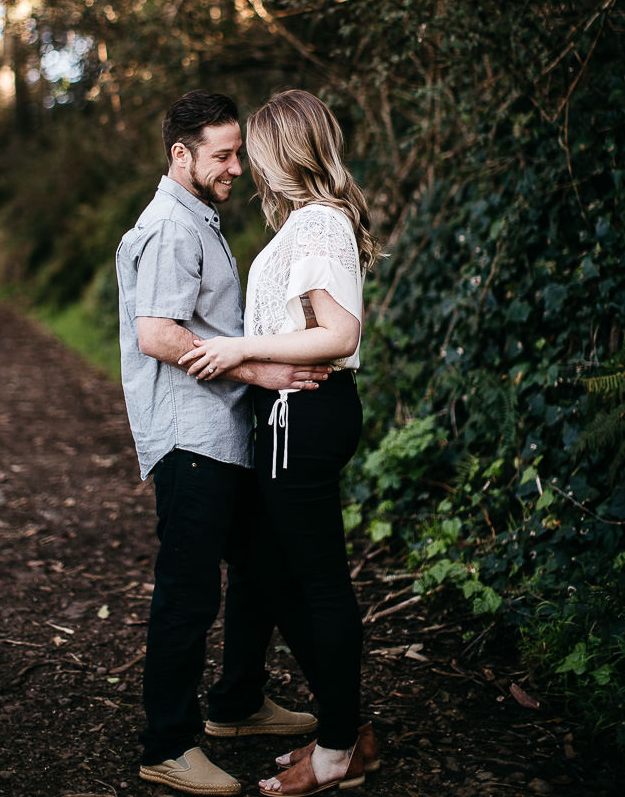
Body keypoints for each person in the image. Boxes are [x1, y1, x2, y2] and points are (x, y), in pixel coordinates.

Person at [116, 90, 329, 797]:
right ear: (181, 155)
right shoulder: (171, 228)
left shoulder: (198, 220)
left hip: (224, 435)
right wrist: (259, 365)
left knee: (263, 566)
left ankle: (236, 705)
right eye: (224, 154)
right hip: (191, 437)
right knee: (188, 592)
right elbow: (158, 332)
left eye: (238, 151)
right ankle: (167, 744)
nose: (238, 165)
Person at [179, 90, 380, 797]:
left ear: (281, 148)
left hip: (307, 414)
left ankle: (337, 747)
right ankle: (334, 722)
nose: (248, 163)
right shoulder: (306, 223)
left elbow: (340, 333)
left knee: (316, 580)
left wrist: (237, 349)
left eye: (255, 148)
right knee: (267, 562)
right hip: (292, 417)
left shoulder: (319, 223)